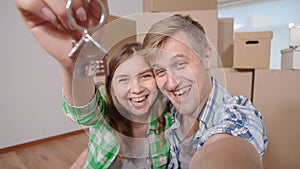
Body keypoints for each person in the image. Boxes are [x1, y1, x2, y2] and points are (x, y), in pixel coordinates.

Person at [14, 0, 172, 168]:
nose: (137, 88)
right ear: (112, 89)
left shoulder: (170, 117)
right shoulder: (105, 110)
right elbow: (83, 112)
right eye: (123, 79)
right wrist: (74, 65)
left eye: (145, 76)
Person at [142, 14, 267, 169]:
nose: (172, 83)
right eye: (160, 71)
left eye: (180, 64)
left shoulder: (238, 112)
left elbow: (231, 144)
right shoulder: (165, 110)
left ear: (207, 57)